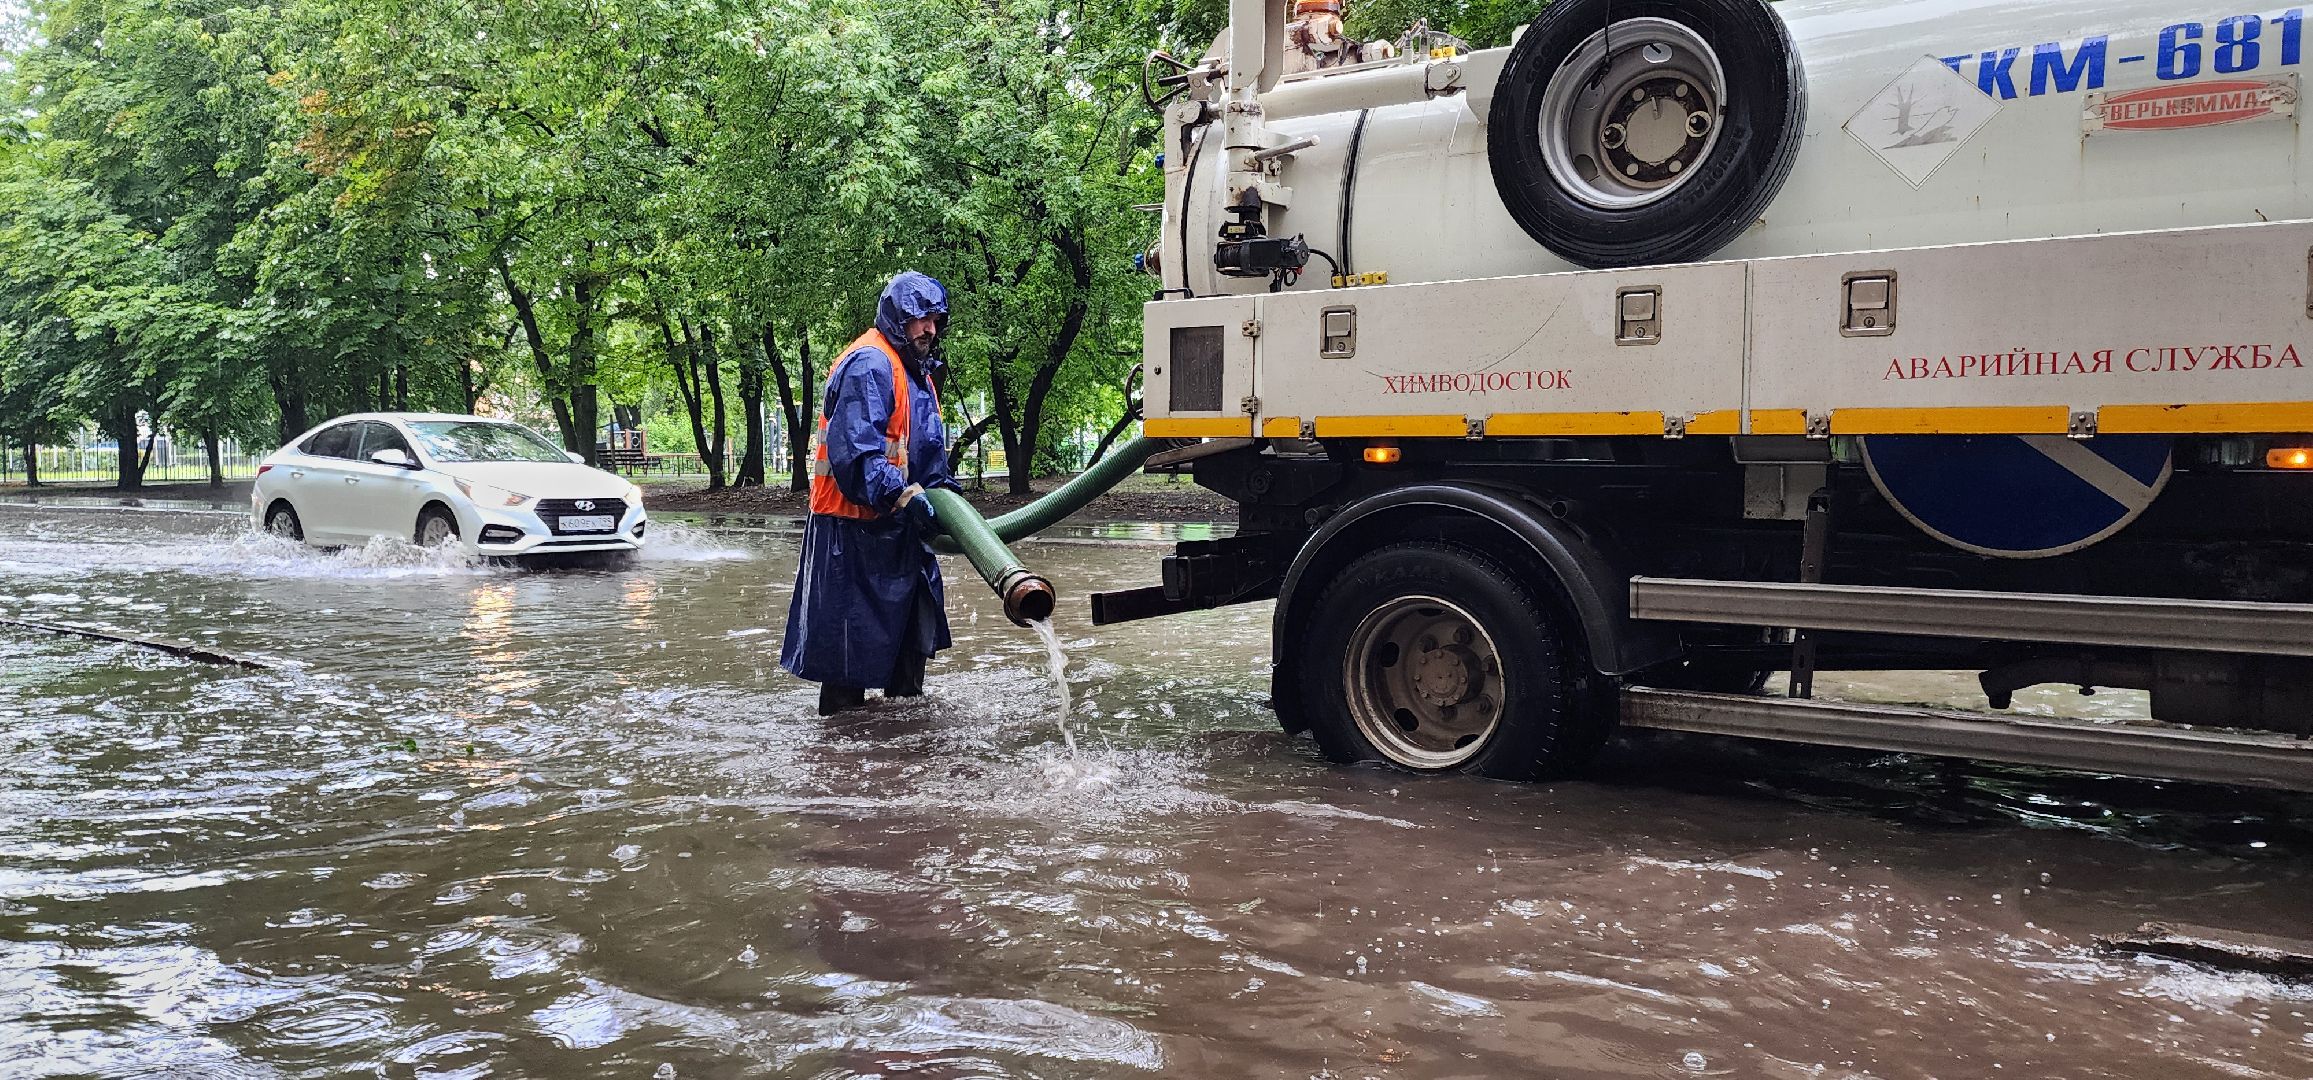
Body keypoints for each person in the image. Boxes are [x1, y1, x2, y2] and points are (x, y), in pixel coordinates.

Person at [780, 271, 962, 715]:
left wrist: (950, 504)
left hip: (902, 535)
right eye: (920, 319)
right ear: (897, 319)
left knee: (909, 665)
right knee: (847, 672)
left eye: (935, 320)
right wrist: (905, 498)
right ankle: (847, 768)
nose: (929, 329)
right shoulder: (870, 364)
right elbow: (856, 457)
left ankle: (902, 759)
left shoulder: (917, 373)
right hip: (852, 539)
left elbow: (926, 459)